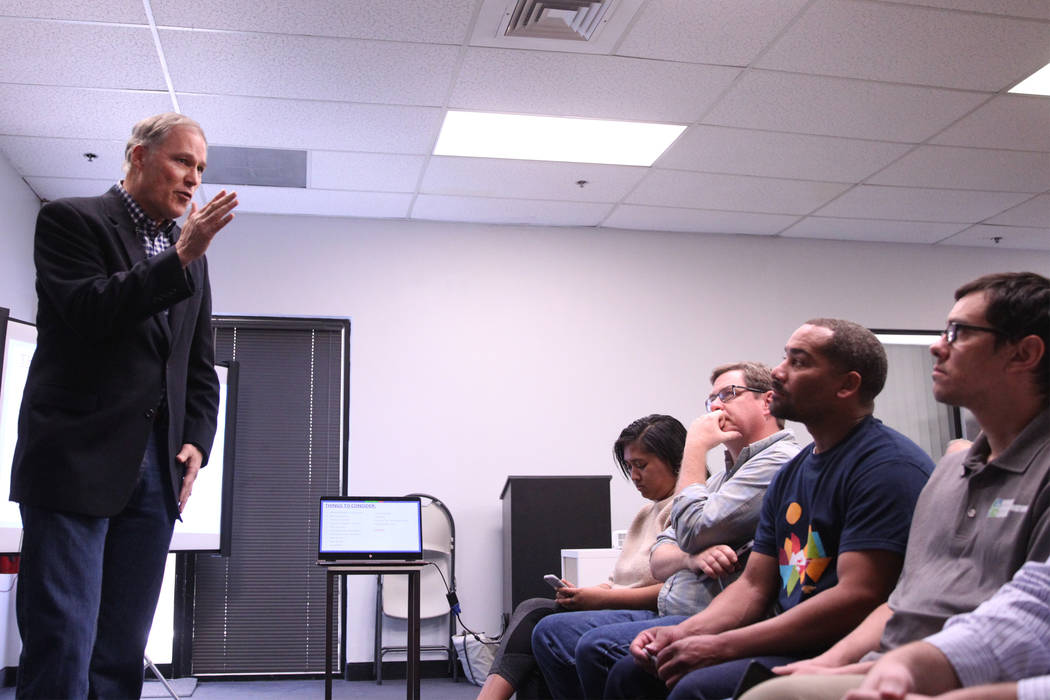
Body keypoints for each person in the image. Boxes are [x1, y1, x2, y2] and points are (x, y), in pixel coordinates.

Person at [739, 271, 1050, 700]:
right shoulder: (951, 471)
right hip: (899, 662)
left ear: (1024, 354)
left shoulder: (892, 464)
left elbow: (1029, 623)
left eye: (958, 332)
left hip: (979, 675)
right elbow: (901, 602)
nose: (936, 345)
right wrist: (834, 664)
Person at [10, 112, 238, 698]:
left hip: (153, 478)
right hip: (74, 466)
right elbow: (89, 310)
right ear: (138, 156)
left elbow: (195, 364)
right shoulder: (70, 220)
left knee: (120, 652)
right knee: (64, 640)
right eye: (182, 161)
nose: (193, 179)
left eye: (201, 169)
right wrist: (179, 258)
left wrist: (197, 441)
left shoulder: (192, 257)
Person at [604, 319, 935, 700]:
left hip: (837, 646)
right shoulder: (792, 473)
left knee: (692, 689)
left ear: (847, 385)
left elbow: (857, 597)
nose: (778, 372)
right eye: (784, 359)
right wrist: (683, 633)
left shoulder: (886, 467)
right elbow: (753, 585)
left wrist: (723, 645)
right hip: (787, 633)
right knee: (631, 674)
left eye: (799, 362)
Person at [532, 362, 801, 698]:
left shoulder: (778, 461)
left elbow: (689, 530)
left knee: (594, 647)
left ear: (768, 402)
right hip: (674, 607)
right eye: (711, 399)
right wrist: (692, 558)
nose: (716, 406)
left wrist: (696, 446)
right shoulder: (721, 478)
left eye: (729, 394)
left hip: (711, 614)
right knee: (548, 630)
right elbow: (660, 556)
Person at [478, 414, 686, 700]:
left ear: (676, 460)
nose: (634, 476)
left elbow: (676, 593)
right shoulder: (645, 513)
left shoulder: (685, 510)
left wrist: (602, 600)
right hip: (620, 606)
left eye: (642, 465)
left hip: (652, 613)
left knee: (544, 624)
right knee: (533, 610)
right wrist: (585, 594)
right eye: (629, 466)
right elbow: (618, 582)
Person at [845, 554, 1050, 700]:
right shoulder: (935, 494)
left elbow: (861, 591)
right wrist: (908, 662)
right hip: (909, 665)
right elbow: (1032, 607)